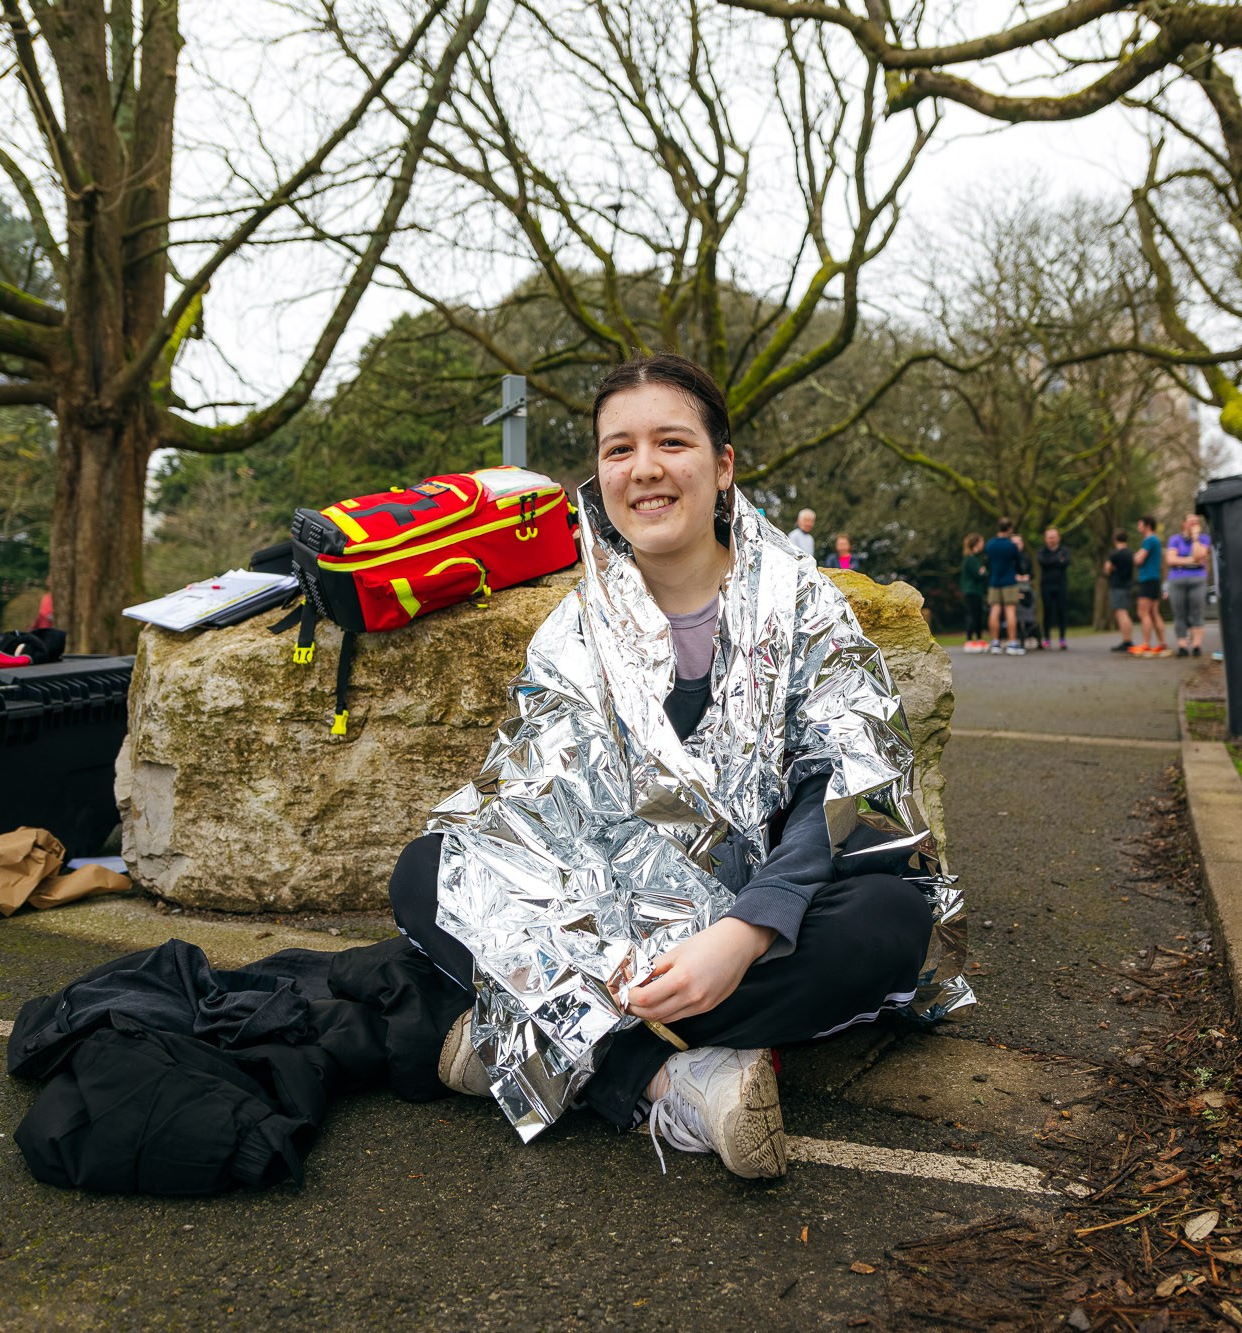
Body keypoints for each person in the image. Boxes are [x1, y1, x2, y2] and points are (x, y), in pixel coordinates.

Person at [387, 354, 955, 1180]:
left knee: (889, 923)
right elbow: (526, 805)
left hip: (765, 925)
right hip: (614, 921)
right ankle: (665, 1074)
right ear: (599, 475)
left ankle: (539, 1033)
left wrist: (745, 928)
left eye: (671, 442)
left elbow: (846, 777)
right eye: (618, 450)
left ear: (723, 467)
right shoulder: (574, 629)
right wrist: (620, 936)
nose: (644, 469)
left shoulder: (804, 605)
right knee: (429, 872)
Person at [1165, 513, 1212, 658]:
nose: (1194, 524)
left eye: (1196, 522)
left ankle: (1197, 646)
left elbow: (1199, 556)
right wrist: (1191, 560)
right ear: (1183, 524)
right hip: (1176, 580)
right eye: (1191, 521)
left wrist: (1195, 538)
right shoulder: (1175, 539)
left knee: (1196, 612)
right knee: (1180, 613)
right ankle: (1182, 646)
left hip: (1197, 579)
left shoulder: (1204, 539)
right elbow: (1171, 560)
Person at [984, 519, 1026, 655]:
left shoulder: (990, 545)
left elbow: (987, 563)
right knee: (1010, 611)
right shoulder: (1011, 545)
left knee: (994, 610)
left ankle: (995, 642)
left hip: (994, 581)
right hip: (1009, 581)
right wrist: (1020, 572)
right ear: (1009, 529)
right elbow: (1018, 563)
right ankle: (1012, 643)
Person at [1130, 515, 1167, 657]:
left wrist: (1135, 557)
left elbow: (1139, 560)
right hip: (1154, 579)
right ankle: (1162, 643)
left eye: (1140, 524)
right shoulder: (1154, 540)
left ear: (1147, 526)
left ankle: (1145, 644)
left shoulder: (1149, 540)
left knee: (1143, 612)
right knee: (1153, 612)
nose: (1138, 527)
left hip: (1148, 579)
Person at [1033, 527, 1072, 650]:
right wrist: (1057, 560)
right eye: (1049, 537)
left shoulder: (1064, 550)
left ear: (1058, 538)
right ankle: (1047, 638)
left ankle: (1062, 638)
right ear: (1045, 539)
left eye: (1054, 537)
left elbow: (1066, 563)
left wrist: (1052, 561)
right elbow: (1042, 562)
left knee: (1062, 611)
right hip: (1046, 585)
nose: (1051, 540)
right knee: (1047, 611)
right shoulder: (1041, 551)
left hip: (1061, 585)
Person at [1103, 531, 1135, 652]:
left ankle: (1127, 641)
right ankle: (1128, 639)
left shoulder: (1115, 554)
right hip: (1127, 585)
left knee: (1121, 613)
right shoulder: (1130, 553)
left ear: (1115, 540)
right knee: (1125, 612)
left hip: (1117, 586)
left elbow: (1107, 569)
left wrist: (1110, 567)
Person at [958, 532, 988, 652]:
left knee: (978, 615)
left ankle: (979, 639)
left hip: (976, 590)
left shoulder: (975, 558)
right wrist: (984, 571)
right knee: (973, 615)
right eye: (981, 542)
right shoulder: (971, 559)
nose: (983, 545)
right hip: (972, 590)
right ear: (976, 543)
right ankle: (970, 640)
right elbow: (979, 574)